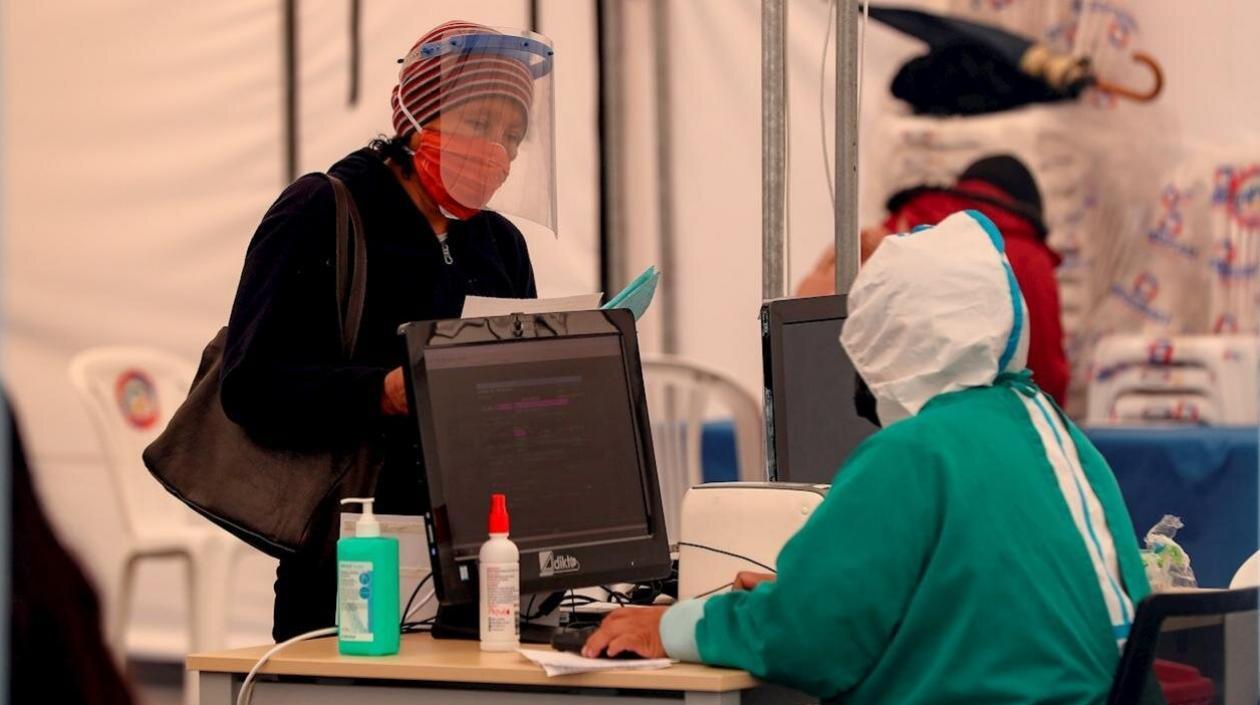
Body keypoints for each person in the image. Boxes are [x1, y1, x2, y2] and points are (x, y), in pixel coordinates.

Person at [585, 210, 1149, 705]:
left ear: (886, 338)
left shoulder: (914, 452)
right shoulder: (1056, 433)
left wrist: (671, 626)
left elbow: (810, 641)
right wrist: (805, 594)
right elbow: (977, 598)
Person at [220, 20, 553, 641]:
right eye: (479, 124)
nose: (497, 152)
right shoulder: (323, 210)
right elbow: (251, 387)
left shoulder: (499, 243)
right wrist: (384, 391)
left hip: (477, 559)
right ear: (416, 117)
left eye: (513, 136)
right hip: (345, 559)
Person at [797, 154, 1070, 406]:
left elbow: (805, 319)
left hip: (843, 399)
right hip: (972, 421)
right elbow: (1046, 377)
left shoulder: (887, 234)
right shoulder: (1030, 259)